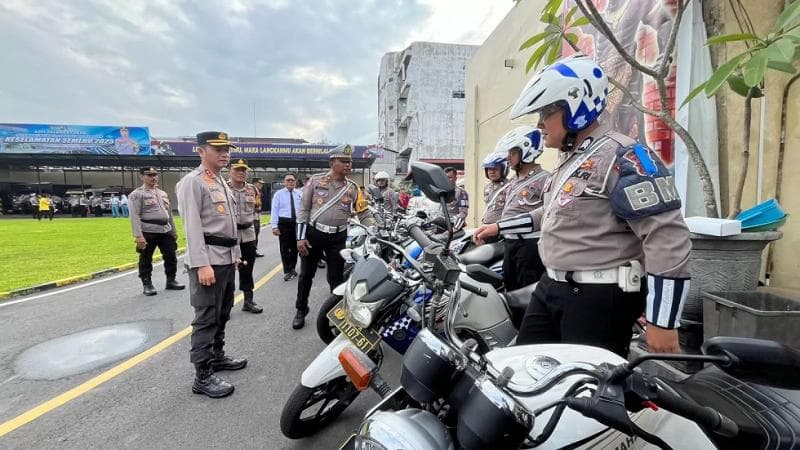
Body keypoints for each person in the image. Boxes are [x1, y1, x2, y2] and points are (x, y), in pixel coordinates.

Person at [473, 55, 691, 357]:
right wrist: (498, 227)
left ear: (574, 108)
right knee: (524, 377)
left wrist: (663, 321)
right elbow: (547, 214)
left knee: (583, 393)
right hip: (551, 287)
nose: (539, 125)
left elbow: (666, 235)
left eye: (545, 113)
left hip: (596, 298)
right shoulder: (570, 161)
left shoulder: (624, 155)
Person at [176, 131, 247, 398]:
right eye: (217, 148)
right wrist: (201, 264)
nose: (224, 153)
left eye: (226, 148)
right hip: (208, 262)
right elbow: (192, 227)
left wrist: (236, 253)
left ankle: (217, 356)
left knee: (223, 311)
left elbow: (229, 225)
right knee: (206, 317)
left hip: (226, 258)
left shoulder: (220, 182)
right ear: (200, 151)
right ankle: (202, 375)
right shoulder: (192, 183)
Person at [294, 144, 376, 329]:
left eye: (350, 161)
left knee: (336, 277)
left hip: (338, 237)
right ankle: (301, 309)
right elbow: (304, 210)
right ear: (332, 162)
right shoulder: (315, 181)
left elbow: (363, 213)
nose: (348, 165)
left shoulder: (353, 188)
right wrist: (300, 237)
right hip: (313, 235)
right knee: (306, 275)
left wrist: (374, 230)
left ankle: (337, 313)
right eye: (344, 161)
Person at [492, 126, 550, 292]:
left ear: (527, 151)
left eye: (512, 153)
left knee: (526, 293)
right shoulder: (513, 181)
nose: (507, 158)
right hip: (510, 244)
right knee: (510, 290)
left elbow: (546, 213)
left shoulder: (544, 179)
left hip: (529, 246)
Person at [129, 167, 185, 296]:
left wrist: (174, 231)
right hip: (148, 230)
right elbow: (134, 216)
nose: (153, 177)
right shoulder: (137, 194)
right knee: (146, 258)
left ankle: (171, 280)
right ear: (142, 177)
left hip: (165, 230)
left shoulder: (162, 193)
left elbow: (169, 214)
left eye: (155, 175)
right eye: (149, 175)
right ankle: (147, 284)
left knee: (171, 256)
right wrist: (138, 236)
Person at [228, 159, 263, 314]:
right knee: (227, 271)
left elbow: (257, 208)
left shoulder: (252, 190)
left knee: (247, 269)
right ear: (230, 170)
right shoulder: (223, 188)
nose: (241, 173)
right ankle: (226, 304)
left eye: (244, 170)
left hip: (248, 235)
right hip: (229, 235)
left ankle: (248, 301)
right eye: (237, 170)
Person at [270, 173, 302, 281]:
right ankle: (287, 270)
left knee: (295, 248)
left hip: (296, 223)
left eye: (292, 180)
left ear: (295, 182)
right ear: (284, 182)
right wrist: (274, 226)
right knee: (284, 248)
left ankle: (292, 268)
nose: (290, 182)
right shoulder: (278, 194)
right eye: (288, 180)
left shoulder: (299, 193)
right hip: (284, 223)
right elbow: (274, 210)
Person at [481, 151, 509, 225]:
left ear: (503, 170)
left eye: (495, 169)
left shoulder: (510, 186)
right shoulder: (487, 188)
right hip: (487, 225)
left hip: (500, 227)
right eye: (489, 169)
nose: (492, 172)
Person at [251, 177, 265, 258]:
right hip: (252, 217)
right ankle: (251, 252)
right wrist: (257, 208)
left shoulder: (258, 192)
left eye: (262, 184)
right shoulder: (251, 191)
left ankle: (254, 251)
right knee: (252, 236)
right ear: (254, 183)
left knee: (256, 235)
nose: (261, 185)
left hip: (257, 217)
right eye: (259, 183)